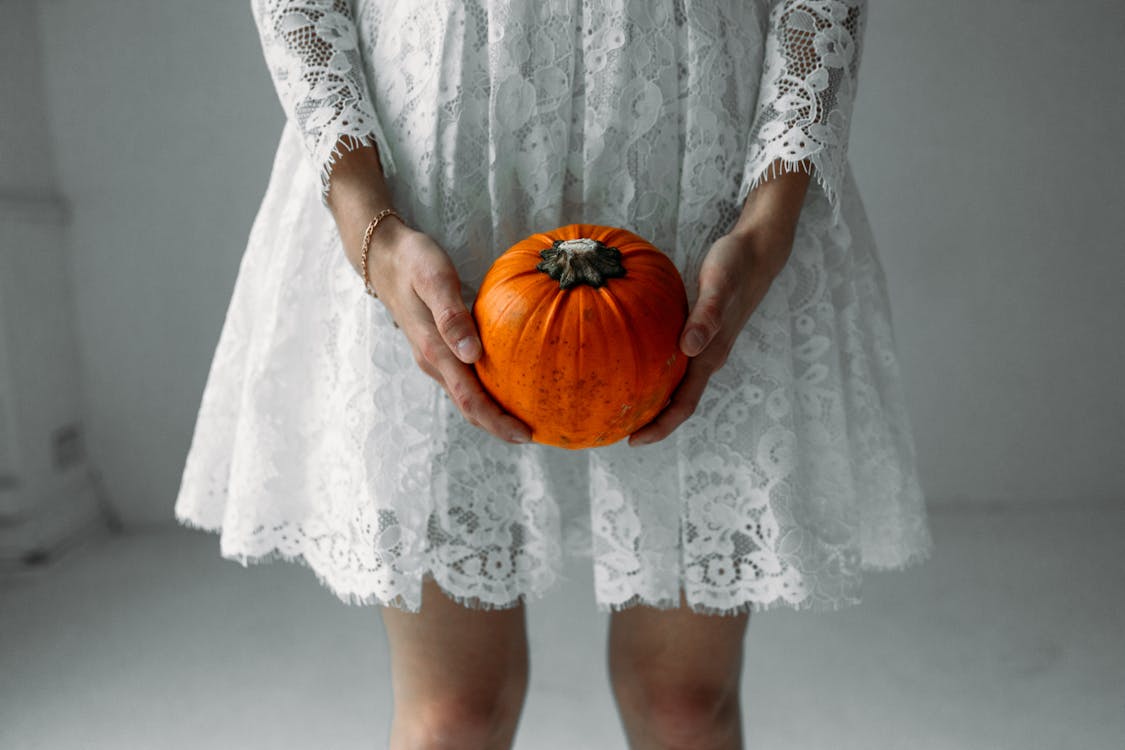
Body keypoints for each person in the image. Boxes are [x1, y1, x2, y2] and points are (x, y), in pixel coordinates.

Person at [175, 0, 933, 746]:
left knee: (684, 708)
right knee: (454, 717)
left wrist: (770, 217)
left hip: (698, 169)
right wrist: (364, 218)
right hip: (431, 178)